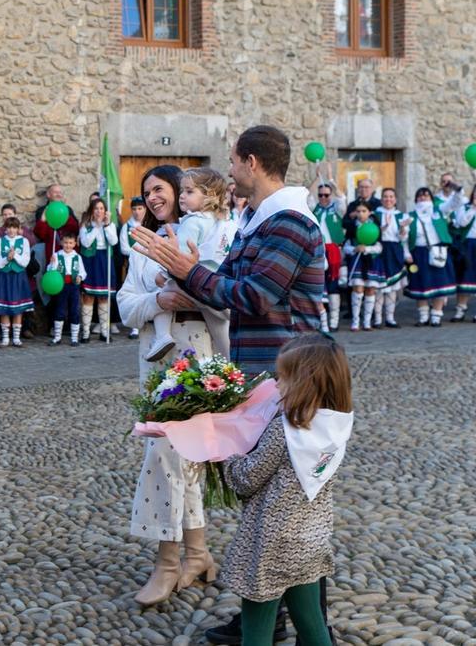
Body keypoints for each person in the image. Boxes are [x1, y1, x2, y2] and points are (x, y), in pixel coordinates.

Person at [132, 125, 328, 643]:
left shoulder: (288, 222)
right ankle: (273, 621)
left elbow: (254, 296)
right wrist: (189, 271)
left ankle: (296, 625)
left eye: (234, 162)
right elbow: (231, 288)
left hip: (293, 379)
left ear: (252, 163)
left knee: (289, 512)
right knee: (272, 512)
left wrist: (186, 271)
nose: (229, 171)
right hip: (267, 378)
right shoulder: (258, 219)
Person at [118, 164, 215, 607]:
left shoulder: (205, 231)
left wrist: (189, 287)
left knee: (169, 456)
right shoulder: (142, 246)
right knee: (176, 455)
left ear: (180, 191)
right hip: (156, 357)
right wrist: (158, 299)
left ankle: (168, 561)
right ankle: (197, 554)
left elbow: (217, 289)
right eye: (146, 191)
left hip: (196, 355)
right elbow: (125, 304)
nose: (153, 197)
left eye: (160, 188)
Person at [222, 334, 353, 646]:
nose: (276, 384)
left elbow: (246, 478)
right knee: (312, 626)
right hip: (311, 540)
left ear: (304, 383)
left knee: (256, 629)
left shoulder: (285, 430)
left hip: (272, 544)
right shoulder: (336, 424)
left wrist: (224, 454)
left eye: (282, 377)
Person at [146, 168, 235, 361]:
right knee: (219, 326)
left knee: (163, 294)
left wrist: (163, 274)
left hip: (191, 281)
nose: (182, 196)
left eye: (189, 191)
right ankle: (232, 358)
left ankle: (162, 336)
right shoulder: (220, 220)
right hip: (213, 282)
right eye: (182, 191)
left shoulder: (192, 222)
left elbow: (179, 256)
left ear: (209, 195)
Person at [404, 187, 457, 326]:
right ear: (415, 200)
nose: (423, 198)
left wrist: (458, 190)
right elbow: (403, 238)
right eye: (420, 196)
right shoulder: (409, 216)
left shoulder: (439, 211)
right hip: (418, 253)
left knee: (440, 284)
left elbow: (454, 202)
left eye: (426, 196)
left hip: (438, 252)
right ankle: (423, 316)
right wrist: (406, 252)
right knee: (420, 284)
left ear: (432, 199)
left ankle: (436, 316)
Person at [78, 197, 118, 343]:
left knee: (103, 296)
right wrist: (97, 227)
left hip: (105, 260)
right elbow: (86, 242)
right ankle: (86, 332)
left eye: (101, 208)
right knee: (88, 296)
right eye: (96, 208)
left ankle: (104, 331)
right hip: (91, 261)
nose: (99, 211)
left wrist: (106, 226)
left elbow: (114, 242)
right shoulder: (86, 226)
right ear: (92, 211)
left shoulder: (110, 225)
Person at [0, 217, 33, 347]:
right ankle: (5, 338)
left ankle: (16, 338)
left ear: (19, 229)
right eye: (9, 227)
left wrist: (15, 256)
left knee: (17, 308)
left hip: (18, 277)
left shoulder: (24, 241)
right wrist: (7, 259)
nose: (11, 230)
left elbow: (26, 261)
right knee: (4, 308)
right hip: (4, 276)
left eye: (14, 227)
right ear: (5, 229)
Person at [342, 201, 385, 331]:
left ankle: (367, 322)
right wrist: (355, 249)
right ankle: (355, 321)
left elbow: (379, 247)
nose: (361, 214)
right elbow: (346, 246)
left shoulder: (374, 227)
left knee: (370, 290)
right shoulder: (352, 227)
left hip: (371, 260)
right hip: (357, 260)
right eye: (358, 211)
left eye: (364, 211)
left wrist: (367, 248)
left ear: (369, 212)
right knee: (358, 289)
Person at [311, 182, 346, 333]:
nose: (323, 198)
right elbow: (307, 195)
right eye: (321, 195)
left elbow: (341, 198)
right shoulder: (314, 209)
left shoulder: (337, 209)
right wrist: (316, 178)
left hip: (333, 251)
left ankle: (334, 322)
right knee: (318, 285)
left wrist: (332, 180)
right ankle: (321, 322)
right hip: (318, 251)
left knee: (333, 285)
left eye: (326, 195)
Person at [374, 188, 409, 328]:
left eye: (391, 196)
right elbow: (373, 233)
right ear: (381, 199)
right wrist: (384, 227)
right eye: (385, 196)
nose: (388, 199)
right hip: (380, 250)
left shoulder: (402, 215)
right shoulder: (375, 214)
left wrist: (402, 229)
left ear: (395, 199)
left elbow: (403, 238)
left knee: (393, 286)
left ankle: (390, 317)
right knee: (379, 286)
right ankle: (377, 319)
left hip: (395, 250)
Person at [47, 231, 85, 346]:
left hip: (73, 286)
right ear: (62, 243)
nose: (68, 245)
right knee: (60, 310)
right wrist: (51, 263)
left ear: (74, 244)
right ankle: (57, 337)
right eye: (66, 243)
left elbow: (82, 272)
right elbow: (50, 271)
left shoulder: (77, 257)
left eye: (70, 243)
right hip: (61, 286)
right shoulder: (57, 255)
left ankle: (74, 338)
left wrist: (80, 276)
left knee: (74, 310)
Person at [119, 196, 147, 339]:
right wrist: (138, 252)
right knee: (135, 291)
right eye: (134, 209)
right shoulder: (127, 226)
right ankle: (135, 326)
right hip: (134, 263)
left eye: (140, 208)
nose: (137, 212)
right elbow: (124, 248)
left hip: (149, 262)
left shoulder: (149, 225)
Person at [450, 186, 476, 322]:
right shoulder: (465, 207)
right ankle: (460, 310)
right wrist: (473, 209)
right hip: (467, 246)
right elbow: (461, 223)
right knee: (464, 278)